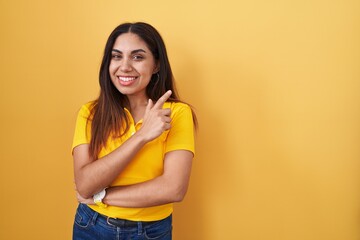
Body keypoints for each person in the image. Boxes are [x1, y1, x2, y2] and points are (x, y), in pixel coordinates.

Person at [71, 22, 197, 240]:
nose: (125, 66)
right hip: (91, 226)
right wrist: (141, 136)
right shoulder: (90, 113)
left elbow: (173, 188)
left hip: (150, 231)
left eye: (137, 57)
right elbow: (84, 185)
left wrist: (101, 195)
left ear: (156, 64)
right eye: (117, 56)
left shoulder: (177, 113)